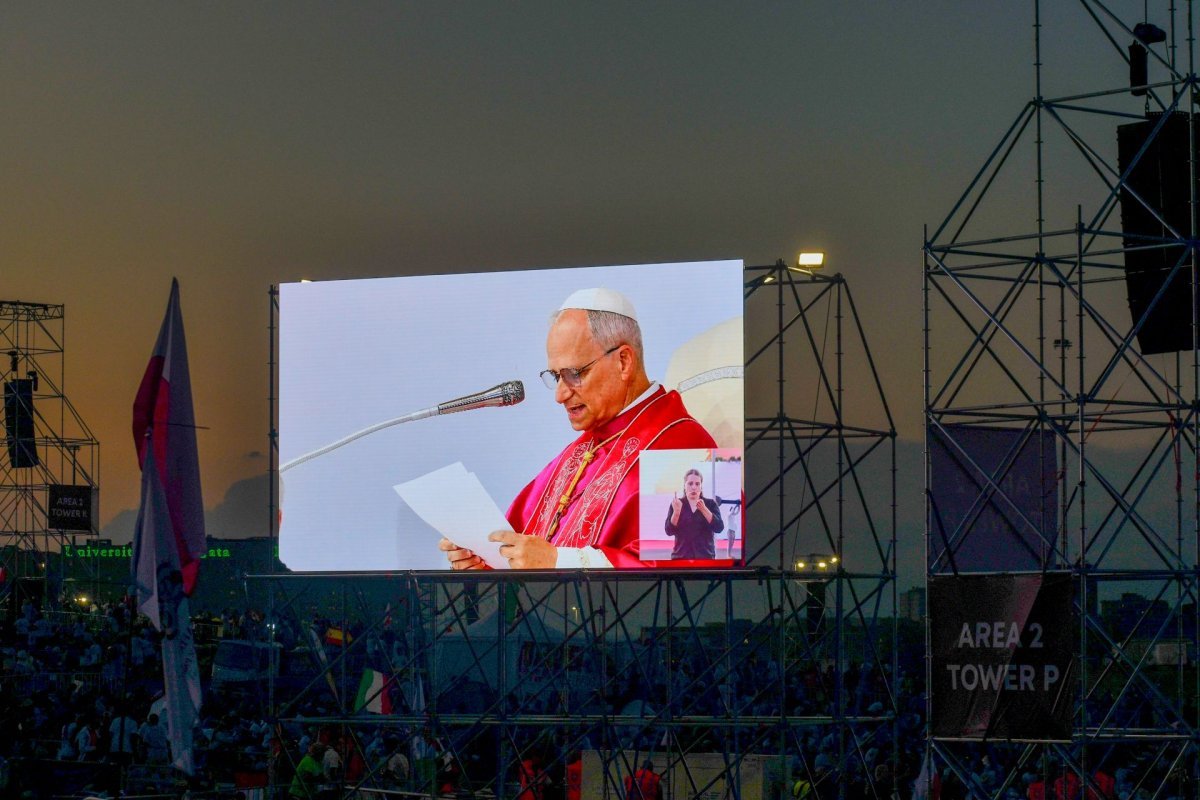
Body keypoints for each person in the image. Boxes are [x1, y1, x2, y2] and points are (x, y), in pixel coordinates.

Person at [440, 288, 718, 569]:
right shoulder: (584, 448)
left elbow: (694, 566)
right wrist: (484, 561)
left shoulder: (685, 443)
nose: (559, 395)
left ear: (623, 361)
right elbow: (521, 549)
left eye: (574, 374)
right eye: (555, 376)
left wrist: (557, 561)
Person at [664, 468, 724, 559]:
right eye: (690, 483)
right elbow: (669, 531)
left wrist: (704, 509)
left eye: (697, 484)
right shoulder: (677, 504)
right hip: (680, 558)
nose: (694, 487)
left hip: (706, 557)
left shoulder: (710, 504)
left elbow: (719, 527)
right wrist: (676, 512)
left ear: (701, 486)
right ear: (684, 486)